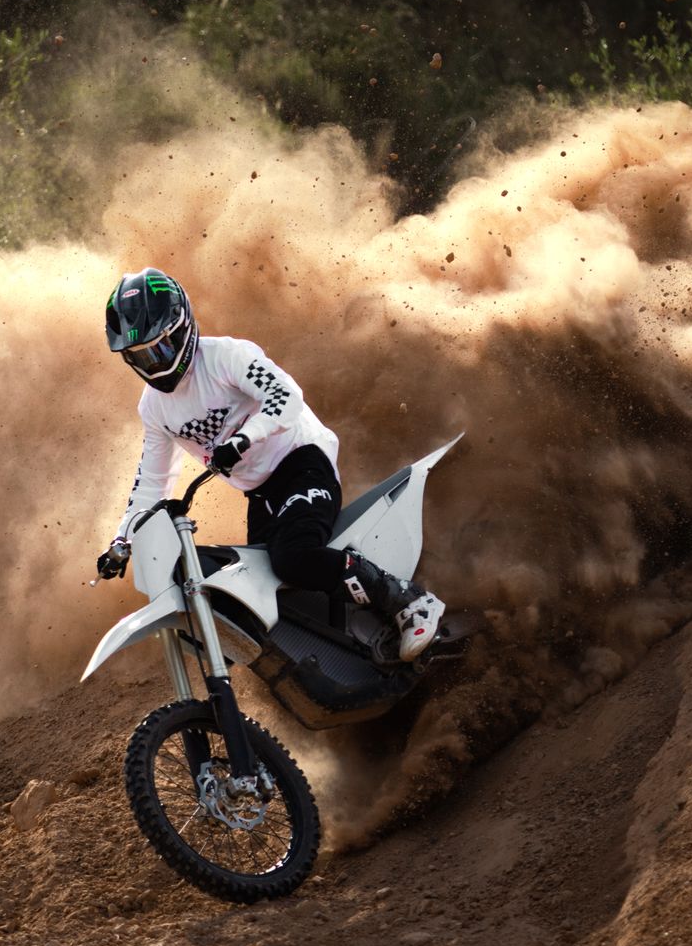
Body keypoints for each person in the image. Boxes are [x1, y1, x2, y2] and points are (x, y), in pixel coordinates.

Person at [94, 268, 445, 661]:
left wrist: (243, 439)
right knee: (256, 595)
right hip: (261, 494)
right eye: (141, 356)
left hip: (302, 462)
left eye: (160, 348)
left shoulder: (226, 356)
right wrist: (122, 541)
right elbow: (152, 481)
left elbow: (286, 396)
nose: (154, 363)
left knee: (292, 558)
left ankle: (408, 599)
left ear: (182, 328)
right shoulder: (154, 408)